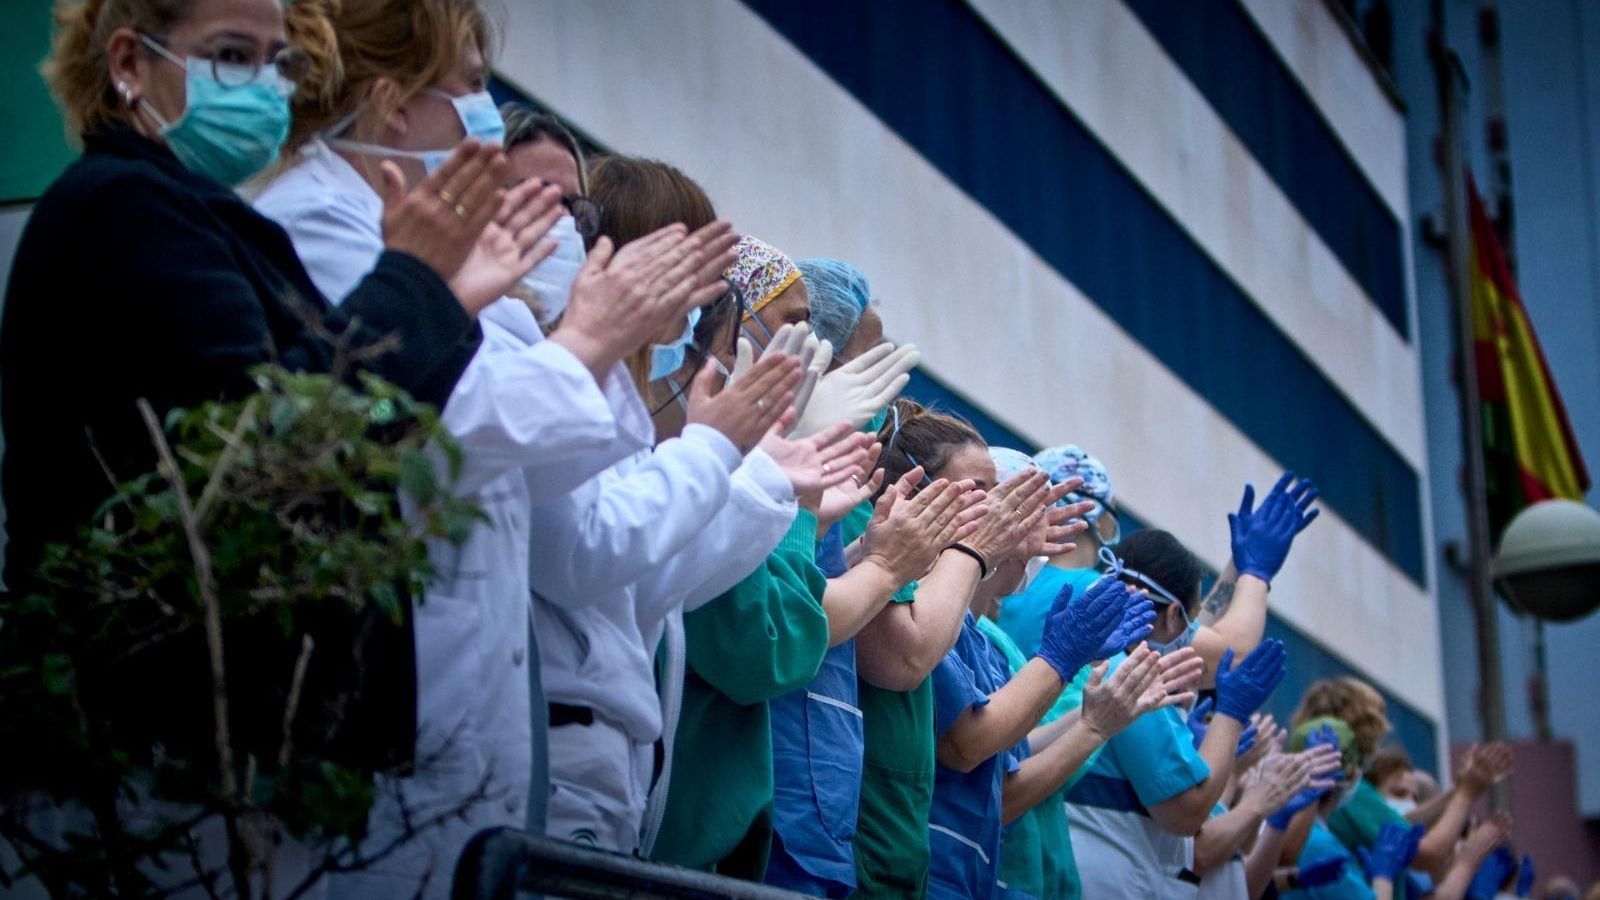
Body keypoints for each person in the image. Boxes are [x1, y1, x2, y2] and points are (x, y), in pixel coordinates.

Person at [256, 1, 743, 889]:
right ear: (391, 103)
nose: (486, 111)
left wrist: (601, 358)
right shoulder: (322, 225)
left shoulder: (411, 244)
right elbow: (453, 434)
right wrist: (596, 344)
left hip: (483, 750)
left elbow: (537, 458)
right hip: (395, 734)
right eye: (473, 85)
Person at [851, 401, 1083, 897]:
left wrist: (1097, 711)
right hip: (890, 864)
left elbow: (1011, 748)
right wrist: (1065, 673)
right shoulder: (896, 586)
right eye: (980, 494)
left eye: (1001, 499)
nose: (998, 513)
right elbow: (967, 742)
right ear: (912, 491)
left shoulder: (973, 633)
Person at [1065, 527, 1293, 899]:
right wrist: (1231, 717)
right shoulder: (1129, 676)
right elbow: (1187, 812)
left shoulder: (1090, 655)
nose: (1194, 635)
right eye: (1192, 622)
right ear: (1173, 616)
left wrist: (1237, 568)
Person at [1290, 677, 1516, 885]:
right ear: (1366, 727)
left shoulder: (1327, 788)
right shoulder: (1351, 791)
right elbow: (1428, 854)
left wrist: (1457, 789)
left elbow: (1397, 823)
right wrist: (1467, 795)